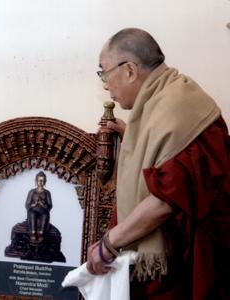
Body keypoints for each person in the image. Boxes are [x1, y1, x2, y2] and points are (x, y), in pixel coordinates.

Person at [86, 28, 230, 299]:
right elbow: (166, 160)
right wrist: (132, 137)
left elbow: (167, 198)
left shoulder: (178, 108)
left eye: (104, 72)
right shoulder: (167, 99)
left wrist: (109, 243)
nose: (105, 85)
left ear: (129, 70)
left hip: (184, 270)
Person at [25, 171, 53, 243]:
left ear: (45, 181)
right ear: (36, 181)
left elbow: (50, 205)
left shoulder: (47, 192)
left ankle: (41, 233)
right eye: (39, 180)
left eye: (42, 181)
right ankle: (33, 232)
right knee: (32, 213)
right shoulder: (32, 192)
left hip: (43, 210)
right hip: (33, 209)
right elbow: (27, 204)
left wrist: (43, 205)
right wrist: (33, 204)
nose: (41, 182)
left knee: (45, 214)